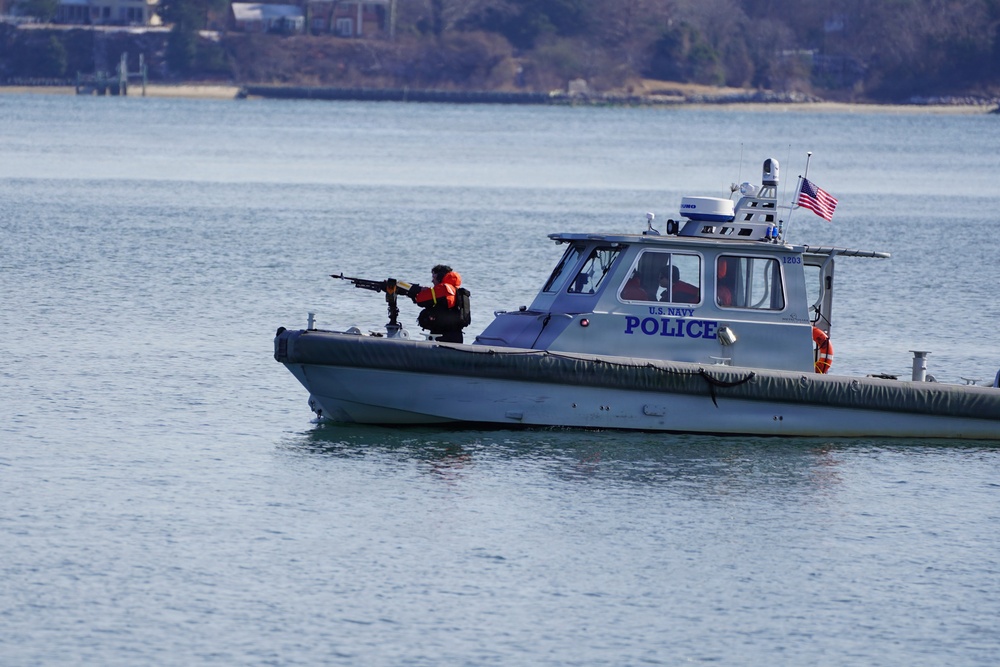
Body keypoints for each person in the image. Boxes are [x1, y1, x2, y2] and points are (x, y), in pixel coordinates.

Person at [407, 264, 466, 343]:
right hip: (456, 335)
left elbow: (420, 301)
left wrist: (416, 290)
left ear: (440, 277)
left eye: (434, 277)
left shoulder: (442, 289)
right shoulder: (456, 290)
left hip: (442, 336)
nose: (432, 281)